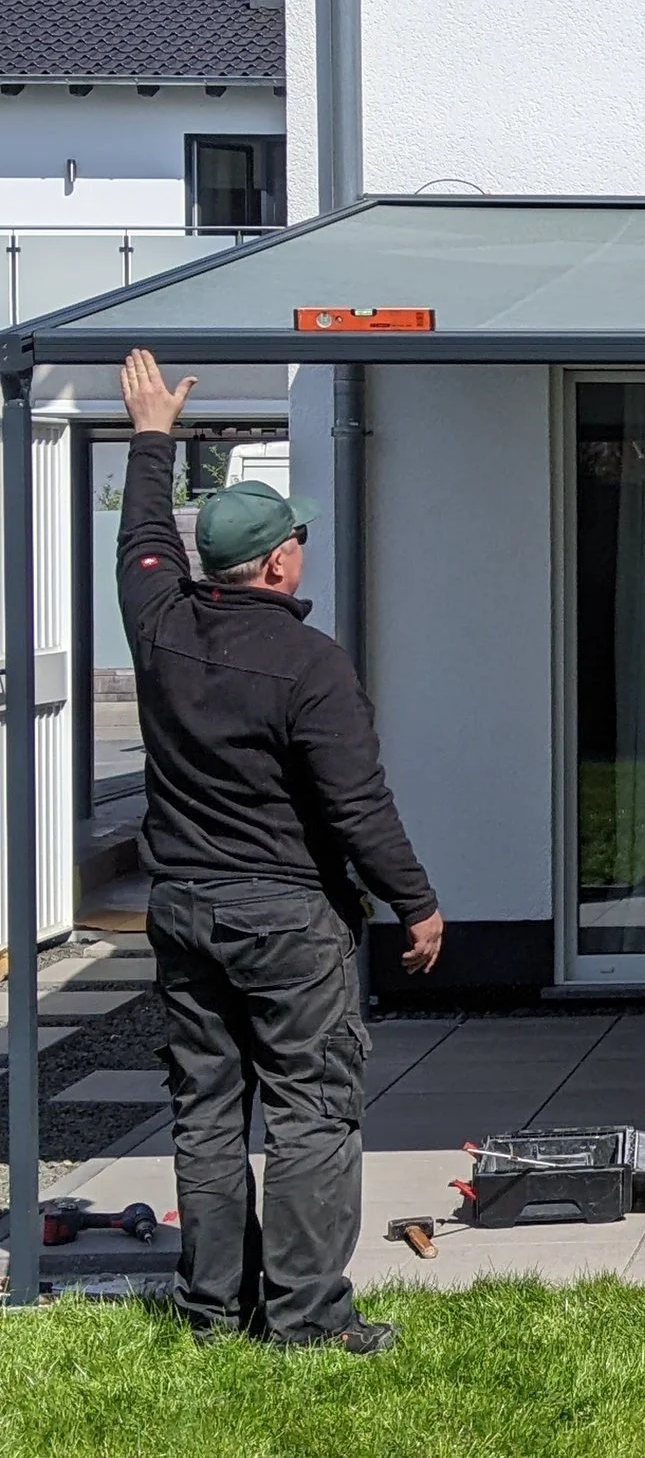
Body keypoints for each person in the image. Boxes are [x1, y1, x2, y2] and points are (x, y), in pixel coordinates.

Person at [117, 351, 442, 1352]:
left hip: (182, 911)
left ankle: (215, 1315)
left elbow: (140, 540)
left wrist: (150, 438)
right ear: (274, 566)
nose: (301, 546)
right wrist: (415, 904)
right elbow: (356, 802)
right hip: (287, 921)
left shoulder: (161, 625)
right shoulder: (309, 664)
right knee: (311, 1114)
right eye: (295, 538)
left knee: (207, 1114)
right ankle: (306, 1322)